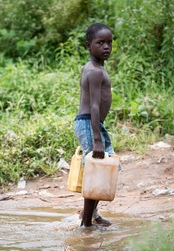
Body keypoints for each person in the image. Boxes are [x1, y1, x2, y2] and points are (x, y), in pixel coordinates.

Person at [73, 23, 117, 227]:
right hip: (90, 124)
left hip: (91, 124)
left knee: (99, 170)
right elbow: (94, 105)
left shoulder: (95, 68)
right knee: (97, 170)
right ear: (88, 45)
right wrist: (97, 139)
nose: (106, 47)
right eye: (101, 43)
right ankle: (86, 225)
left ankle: (90, 214)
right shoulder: (95, 71)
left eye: (109, 42)